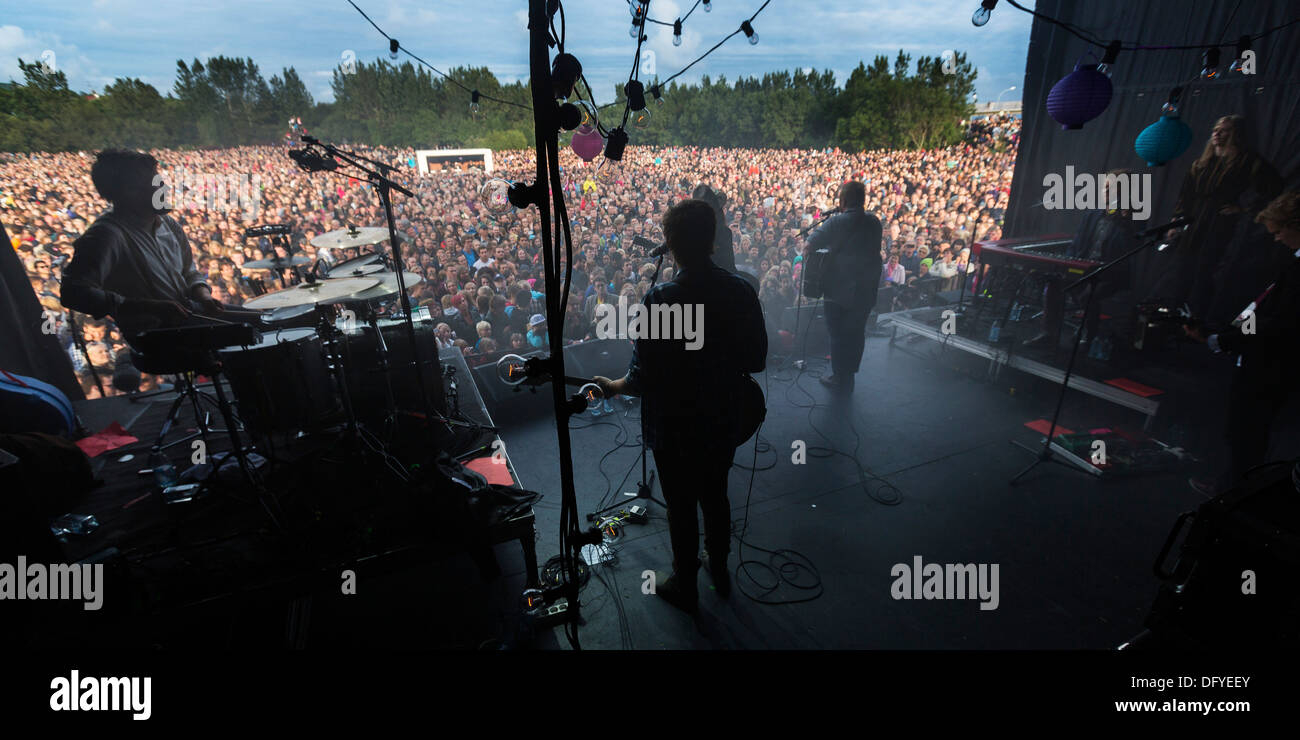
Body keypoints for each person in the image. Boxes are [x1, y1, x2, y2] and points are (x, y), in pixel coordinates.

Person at [594, 199, 767, 613]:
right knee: (716, 494)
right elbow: (757, 360)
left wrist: (613, 386)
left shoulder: (661, 298)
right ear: (711, 239)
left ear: (670, 243)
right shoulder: (742, 289)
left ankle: (685, 582)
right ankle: (719, 567)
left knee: (681, 506)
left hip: (675, 425)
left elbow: (642, 377)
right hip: (724, 415)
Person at [1184, 190, 1300, 494]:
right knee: (1246, 431)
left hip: (1270, 365)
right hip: (1263, 359)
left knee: (1248, 431)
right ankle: (1235, 489)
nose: (1276, 239)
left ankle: (1234, 494)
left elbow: (1276, 323)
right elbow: (1263, 312)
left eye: (1278, 231)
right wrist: (1223, 332)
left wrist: (1221, 339)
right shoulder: (1293, 265)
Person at [60, 149, 221, 336]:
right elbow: (73, 292)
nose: (166, 189)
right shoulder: (106, 235)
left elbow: (189, 272)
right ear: (130, 192)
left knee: (261, 320)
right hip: (158, 338)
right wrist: (146, 307)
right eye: (157, 184)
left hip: (192, 317)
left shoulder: (168, 225)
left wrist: (204, 296)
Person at [1157, 115, 1282, 318]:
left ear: (1235, 134)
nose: (1216, 133)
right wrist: (1176, 221)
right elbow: (1186, 195)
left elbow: (1274, 186)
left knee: (1205, 269)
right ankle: (1174, 314)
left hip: (1219, 222)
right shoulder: (1202, 163)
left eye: (1223, 130)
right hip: (1194, 220)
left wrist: (1243, 208)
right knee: (1182, 268)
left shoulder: (1247, 161)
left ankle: (1196, 318)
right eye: (1215, 129)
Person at [1023, 169, 1138, 349]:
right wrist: (1065, 266)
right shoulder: (1092, 214)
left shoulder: (1132, 219)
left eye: (1111, 188)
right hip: (1084, 268)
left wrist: (1123, 220)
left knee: (1088, 294)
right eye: (1104, 187)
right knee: (1054, 284)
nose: (1105, 191)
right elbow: (1077, 245)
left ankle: (1088, 335)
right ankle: (1048, 334)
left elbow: (1129, 249)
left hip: (1109, 274)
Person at [803, 181, 882, 392]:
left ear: (843, 200)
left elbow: (809, 246)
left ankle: (839, 377)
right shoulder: (875, 222)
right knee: (856, 333)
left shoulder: (836, 222)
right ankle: (850, 375)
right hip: (865, 288)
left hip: (838, 288)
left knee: (837, 333)